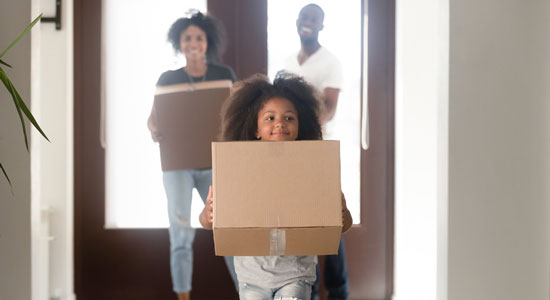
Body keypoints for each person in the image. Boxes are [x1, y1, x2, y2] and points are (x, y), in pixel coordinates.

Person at [199, 72, 353, 300]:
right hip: (252, 278)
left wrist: (342, 209)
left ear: (301, 126)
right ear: (255, 129)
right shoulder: (239, 169)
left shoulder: (313, 169)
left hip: (296, 275)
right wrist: (209, 214)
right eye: (270, 118)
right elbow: (206, 222)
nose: (280, 123)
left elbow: (342, 225)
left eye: (289, 118)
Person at [147, 11, 238, 300]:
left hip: (214, 163)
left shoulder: (224, 75)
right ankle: (183, 297)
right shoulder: (168, 78)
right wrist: (154, 131)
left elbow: (237, 115)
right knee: (181, 235)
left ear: (208, 41)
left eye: (199, 37)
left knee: (228, 230)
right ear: (179, 43)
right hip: (178, 167)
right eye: (188, 37)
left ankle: (247, 293)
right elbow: (153, 119)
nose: (194, 42)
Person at [281, 4, 348, 300]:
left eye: (314, 19)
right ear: (297, 23)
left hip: (318, 151)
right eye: (304, 18)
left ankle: (338, 291)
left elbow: (329, 110)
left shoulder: (331, 62)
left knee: (330, 220)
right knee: (299, 220)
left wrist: (304, 122)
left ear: (322, 26)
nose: (307, 23)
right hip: (289, 153)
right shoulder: (285, 63)